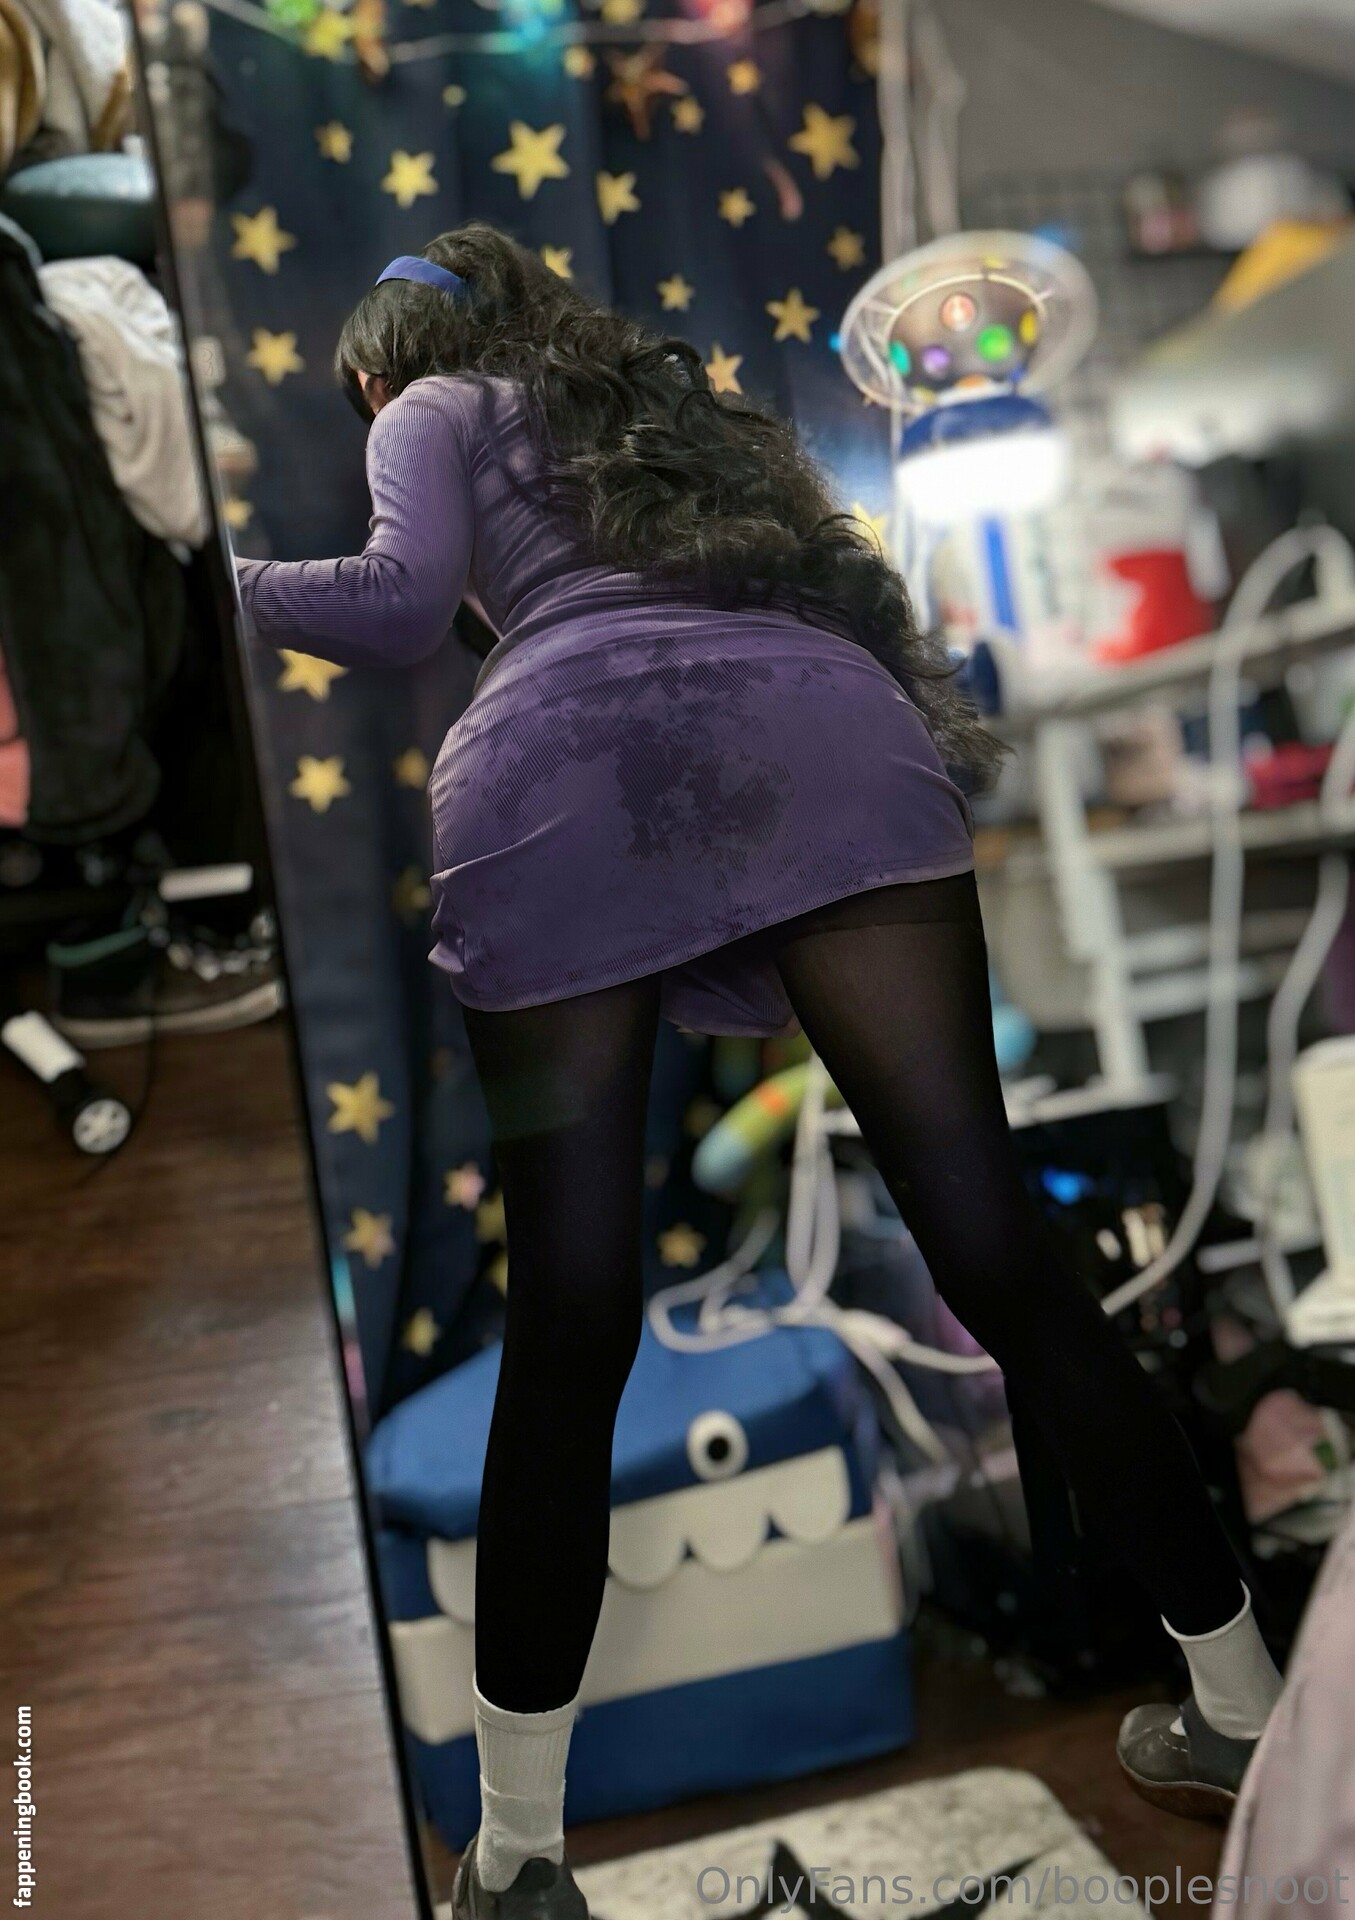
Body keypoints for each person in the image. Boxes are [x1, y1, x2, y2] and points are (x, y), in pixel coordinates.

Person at [235, 224, 1281, 1920]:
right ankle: (1246, 1709)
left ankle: (518, 1858)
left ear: (379, 368)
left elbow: (404, 601)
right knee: (1001, 1248)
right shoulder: (658, 411)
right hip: (831, 745)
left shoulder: (427, 405)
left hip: (557, 786)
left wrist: (231, 584)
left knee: (573, 1319)